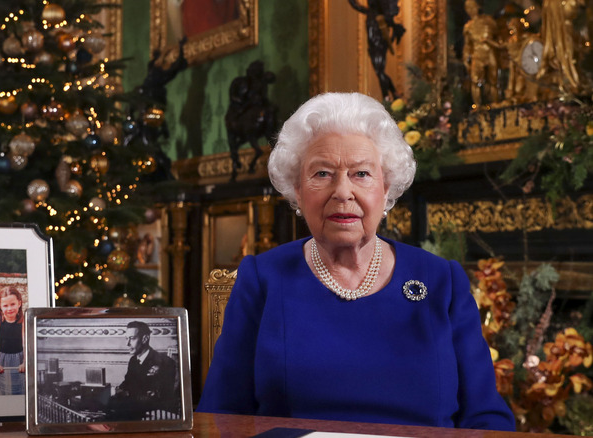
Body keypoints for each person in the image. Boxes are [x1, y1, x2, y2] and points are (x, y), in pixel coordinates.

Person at [196, 92, 516, 431]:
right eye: (322, 174)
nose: (343, 192)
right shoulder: (262, 279)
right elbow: (221, 416)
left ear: (386, 187)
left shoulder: (441, 280)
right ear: (297, 190)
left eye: (361, 173)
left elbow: (486, 416)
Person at [111, 321, 178, 419]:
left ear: (145, 339)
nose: (127, 344)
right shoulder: (133, 360)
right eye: (126, 339)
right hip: (134, 409)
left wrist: (126, 394)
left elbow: (158, 397)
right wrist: (116, 391)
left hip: (154, 415)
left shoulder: (164, 362)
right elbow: (127, 383)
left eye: (132, 338)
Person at [0, 286, 25, 395]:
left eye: (13, 304)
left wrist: (25, 362)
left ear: (19, 303)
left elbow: (25, 343)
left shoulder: (23, 321)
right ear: (0, 306)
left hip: (18, 359)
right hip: (0, 358)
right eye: (5, 306)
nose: (9, 308)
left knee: (19, 389)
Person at [462, 0, 499, 106]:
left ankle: (495, 105)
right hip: (477, 55)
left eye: (472, 7)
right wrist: (465, 59)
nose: (470, 10)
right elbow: (467, 45)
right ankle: (477, 106)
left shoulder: (489, 21)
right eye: (468, 8)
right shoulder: (468, 27)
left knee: (493, 81)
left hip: (490, 53)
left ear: (478, 7)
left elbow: (498, 36)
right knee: (475, 81)